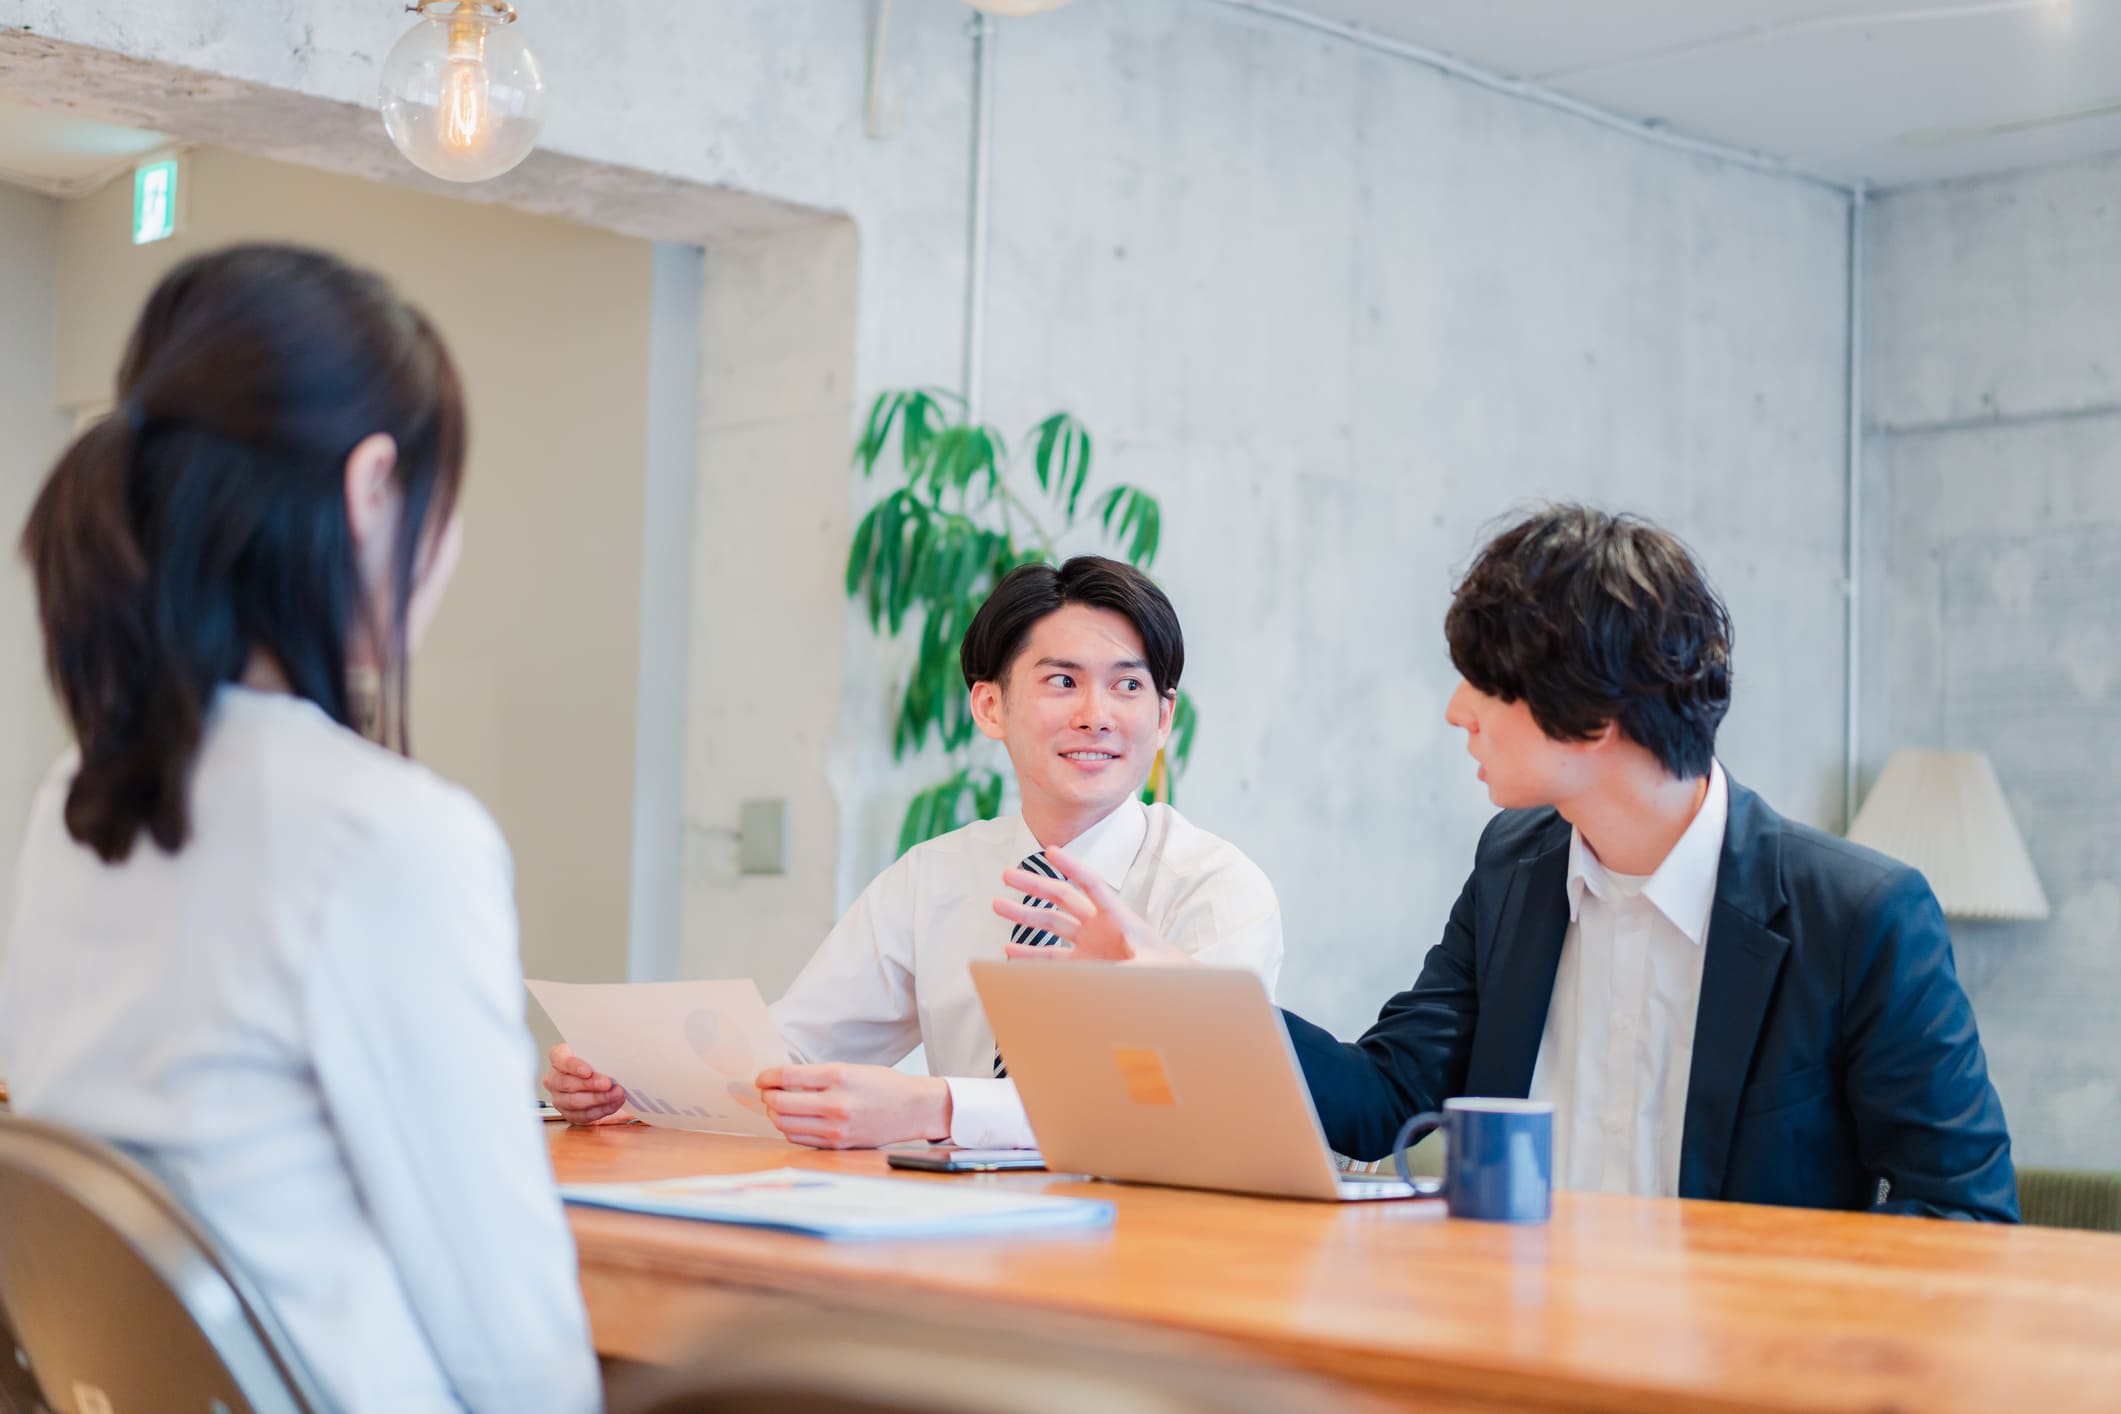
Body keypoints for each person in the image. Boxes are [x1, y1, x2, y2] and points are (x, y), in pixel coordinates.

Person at [1001, 505, 2018, 1221]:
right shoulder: (1516, 867)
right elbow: (1386, 1092)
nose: (1457, 711)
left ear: (1598, 711)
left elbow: (1961, 1217)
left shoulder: (1859, 914)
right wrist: (1168, 978)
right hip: (1505, 1352)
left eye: (1484, 684)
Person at [0, 245, 601, 1410]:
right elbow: (516, 1346)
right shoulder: (385, 834)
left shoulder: (75, 799)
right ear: (373, 487)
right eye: (443, 500)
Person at [546, 556, 1282, 1150]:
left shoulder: (1214, 888)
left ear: (1162, 717)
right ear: (989, 706)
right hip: (955, 1236)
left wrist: (933, 1106)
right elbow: (785, 1054)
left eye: (1127, 686)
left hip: (1155, 1242)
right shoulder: (934, 877)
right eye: (1062, 682)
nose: (1096, 715)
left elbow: (1188, 1106)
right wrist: (634, 1086)